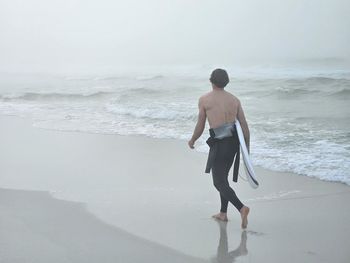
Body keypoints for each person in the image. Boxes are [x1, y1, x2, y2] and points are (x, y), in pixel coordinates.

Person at [188, 68, 250, 229]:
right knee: (224, 178)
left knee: (218, 182)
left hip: (219, 145)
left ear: (211, 80)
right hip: (233, 144)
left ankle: (241, 208)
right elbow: (244, 125)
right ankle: (223, 213)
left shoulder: (205, 100)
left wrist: (193, 139)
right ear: (226, 82)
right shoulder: (235, 100)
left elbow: (201, 125)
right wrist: (246, 150)